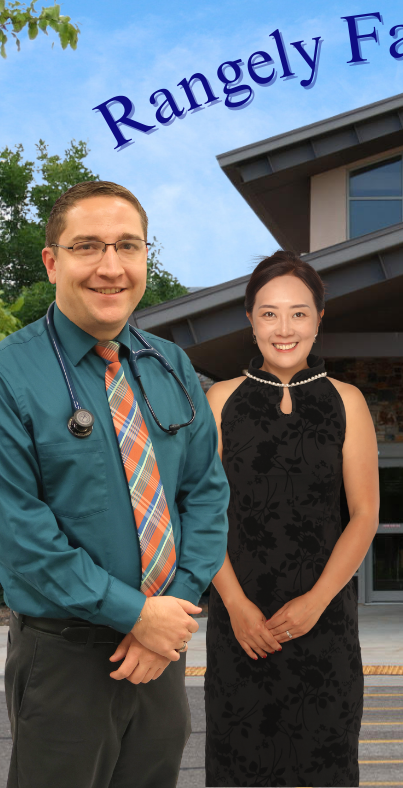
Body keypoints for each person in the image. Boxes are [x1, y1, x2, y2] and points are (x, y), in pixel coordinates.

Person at [0, 181, 230, 787]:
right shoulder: (9, 372)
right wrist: (135, 615)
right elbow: (19, 532)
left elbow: (206, 494)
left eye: (128, 246)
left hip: (161, 657)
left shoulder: (171, 366)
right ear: (52, 261)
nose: (110, 267)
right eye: (88, 246)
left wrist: (170, 614)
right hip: (64, 660)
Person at [203, 251, 379, 787]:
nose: (285, 328)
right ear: (251, 320)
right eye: (270, 313)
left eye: (299, 313)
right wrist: (234, 606)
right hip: (240, 627)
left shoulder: (347, 402)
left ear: (319, 319)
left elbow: (365, 514)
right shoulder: (220, 400)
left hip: (324, 627)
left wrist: (316, 602)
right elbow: (201, 513)